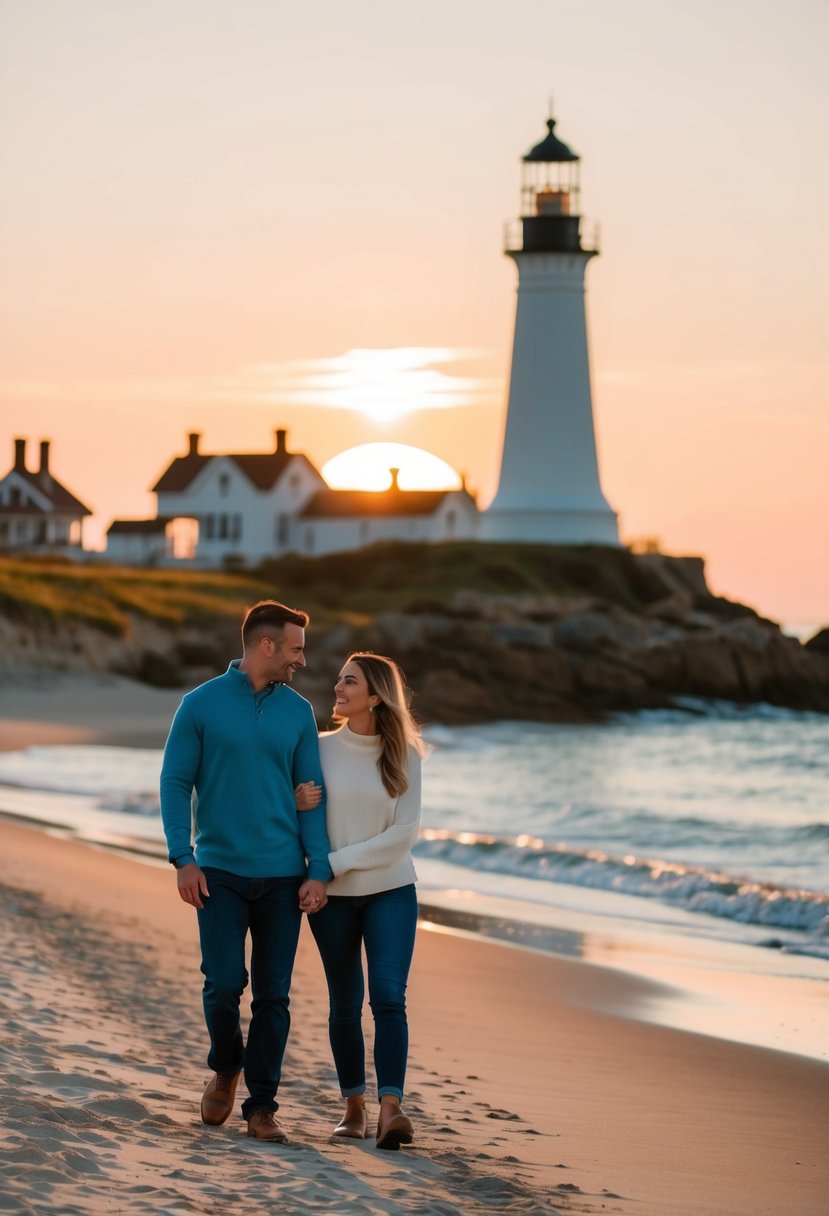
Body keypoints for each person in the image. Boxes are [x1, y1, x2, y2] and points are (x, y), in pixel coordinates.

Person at [160, 599, 331, 1143]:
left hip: (284, 875)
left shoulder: (299, 713)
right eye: (296, 648)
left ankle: (262, 1109)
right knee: (223, 983)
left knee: (274, 996)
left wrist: (317, 869)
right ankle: (225, 1066)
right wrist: (182, 858)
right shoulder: (200, 704)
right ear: (266, 645)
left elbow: (314, 798)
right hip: (219, 872)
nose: (302, 660)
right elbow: (174, 783)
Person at [295, 652, 425, 1151]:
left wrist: (334, 863)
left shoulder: (404, 753)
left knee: (389, 998)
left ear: (376, 696)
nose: (338, 687)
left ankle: (391, 1108)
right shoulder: (319, 748)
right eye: (340, 679)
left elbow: (404, 834)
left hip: (391, 890)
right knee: (345, 1005)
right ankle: (354, 1108)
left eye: (350, 682)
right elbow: (297, 810)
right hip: (331, 899)